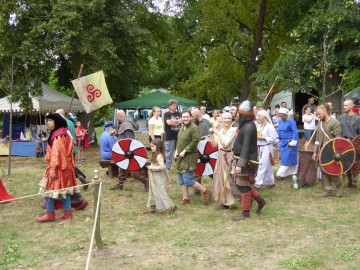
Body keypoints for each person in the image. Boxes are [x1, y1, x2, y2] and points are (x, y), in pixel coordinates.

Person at [36, 113, 79, 222]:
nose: (48, 123)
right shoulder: (65, 133)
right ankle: (68, 213)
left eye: (50, 120)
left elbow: (57, 154)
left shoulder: (58, 137)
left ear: (57, 122)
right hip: (67, 168)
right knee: (65, 190)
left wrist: (53, 169)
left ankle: (50, 214)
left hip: (59, 168)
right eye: (47, 120)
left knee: (48, 190)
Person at [232, 101, 266, 221]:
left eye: (239, 114)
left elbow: (246, 147)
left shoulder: (249, 127)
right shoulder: (247, 126)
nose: (237, 116)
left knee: (244, 186)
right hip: (243, 158)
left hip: (246, 160)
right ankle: (261, 201)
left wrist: (240, 165)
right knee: (244, 184)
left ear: (244, 115)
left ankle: (245, 213)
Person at [175, 110, 212, 205]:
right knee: (181, 179)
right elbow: (179, 141)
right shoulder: (182, 127)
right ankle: (186, 199)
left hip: (189, 156)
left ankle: (206, 191)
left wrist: (185, 151)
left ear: (191, 117)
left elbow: (195, 141)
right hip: (180, 156)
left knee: (188, 180)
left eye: (187, 117)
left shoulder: (194, 128)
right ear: (181, 118)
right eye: (183, 117)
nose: (185, 118)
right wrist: (176, 151)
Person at [111, 110, 148, 191]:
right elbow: (123, 138)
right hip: (124, 152)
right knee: (122, 168)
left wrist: (128, 154)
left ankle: (146, 182)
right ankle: (119, 184)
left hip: (129, 153)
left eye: (117, 116)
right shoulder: (123, 124)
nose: (116, 118)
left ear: (120, 116)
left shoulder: (127, 125)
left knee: (133, 170)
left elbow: (130, 141)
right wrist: (117, 134)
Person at [312, 104, 343, 197]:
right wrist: (315, 152)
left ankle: (339, 186)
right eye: (317, 115)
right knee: (323, 169)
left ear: (325, 112)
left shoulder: (335, 123)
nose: (318, 116)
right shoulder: (320, 123)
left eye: (319, 114)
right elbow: (317, 140)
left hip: (332, 151)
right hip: (322, 151)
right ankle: (328, 190)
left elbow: (338, 139)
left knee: (330, 170)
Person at [209, 112, 237, 209]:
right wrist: (212, 134)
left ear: (232, 120)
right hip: (220, 154)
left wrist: (216, 132)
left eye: (229, 118)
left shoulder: (233, 130)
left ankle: (231, 201)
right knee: (219, 178)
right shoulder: (221, 131)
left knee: (227, 179)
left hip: (228, 155)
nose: (226, 120)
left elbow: (225, 144)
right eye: (224, 118)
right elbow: (213, 144)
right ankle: (223, 201)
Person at [144, 139, 177, 214]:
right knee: (152, 192)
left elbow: (162, 167)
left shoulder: (159, 156)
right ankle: (152, 209)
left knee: (161, 192)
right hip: (153, 178)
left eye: (153, 146)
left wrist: (152, 168)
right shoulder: (155, 154)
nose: (151, 147)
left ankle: (172, 206)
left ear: (158, 147)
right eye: (151, 146)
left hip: (158, 179)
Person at [338, 99, 360, 189]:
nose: (344, 107)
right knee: (345, 162)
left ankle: (354, 183)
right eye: (344, 105)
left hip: (354, 142)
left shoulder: (358, 118)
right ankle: (349, 182)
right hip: (344, 143)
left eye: (346, 105)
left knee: (355, 163)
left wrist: (355, 141)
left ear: (352, 106)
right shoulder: (341, 117)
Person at [191, 108, 213, 193]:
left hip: (205, 152)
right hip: (200, 151)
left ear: (196, 116)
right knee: (198, 171)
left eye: (192, 116)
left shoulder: (204, 124)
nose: (192, 118)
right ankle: (197, 189)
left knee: (210, 170)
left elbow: (202, 140)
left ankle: (220, 185)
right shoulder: (199, 123)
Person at [255, 110, 278, 189]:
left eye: (259, 116)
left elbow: (273, 139)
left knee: (262, 165)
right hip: (260, 147)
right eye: (257, 116)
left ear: (264, 116)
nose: (258, 117)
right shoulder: (260, 126)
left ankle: (257, 184)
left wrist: (263, 138)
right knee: (267, 165)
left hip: (267, 147)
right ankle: (270, 182)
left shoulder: (270, 126)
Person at [276, 108, 299, 180]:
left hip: (290, 142)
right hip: (283, 142)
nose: (281, 117)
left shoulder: (291, 121)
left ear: (286, 115)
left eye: (282, 116)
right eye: (280, 116)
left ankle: (280, 174)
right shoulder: (280, 121)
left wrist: (294, 141)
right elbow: (279, 131)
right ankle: (293, 171)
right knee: (286, 157)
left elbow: (295, 131)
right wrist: (278, 139)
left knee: (286, 157)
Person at [163, 99, 182, 171]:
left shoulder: (179, 113)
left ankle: (180, 167)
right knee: (169, 154)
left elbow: (182, 121)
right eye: (174, 105)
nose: (175, 106)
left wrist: (174, 121)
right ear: (170, 106)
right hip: (170, 137)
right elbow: (169, 123)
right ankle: (167, 169)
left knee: (180, 152)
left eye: (176, 105)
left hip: (179, 137)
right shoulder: (167, 114)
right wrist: (178, 122)